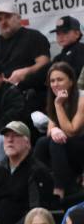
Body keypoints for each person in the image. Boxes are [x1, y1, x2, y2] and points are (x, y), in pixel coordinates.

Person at [0, 2, 52, 107]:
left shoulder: (33, 36)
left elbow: (44, 63)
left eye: (7, 17)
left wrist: (26, 71)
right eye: (0, 19)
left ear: (18, 18)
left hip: (26, 90)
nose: (3, 22)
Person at [35, 62, 84, 199]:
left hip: (81, 145)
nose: (55, 84)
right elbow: (50, 131)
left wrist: (58, 105)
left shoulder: (82, 98)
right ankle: (37, 184)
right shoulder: (54, 99)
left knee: (56, 143)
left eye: (60, 80)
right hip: (67, 147)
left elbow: (72, 131)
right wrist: (55, 130)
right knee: (42, 142)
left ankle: (59, 189)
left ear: (71, 81)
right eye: (52, 81)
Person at [50, 15, 84, 80]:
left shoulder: (81, 49)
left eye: (65, 32)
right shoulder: (59, 57)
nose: (61, 36)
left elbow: (78, 74)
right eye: (58, 33)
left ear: (77, 34)